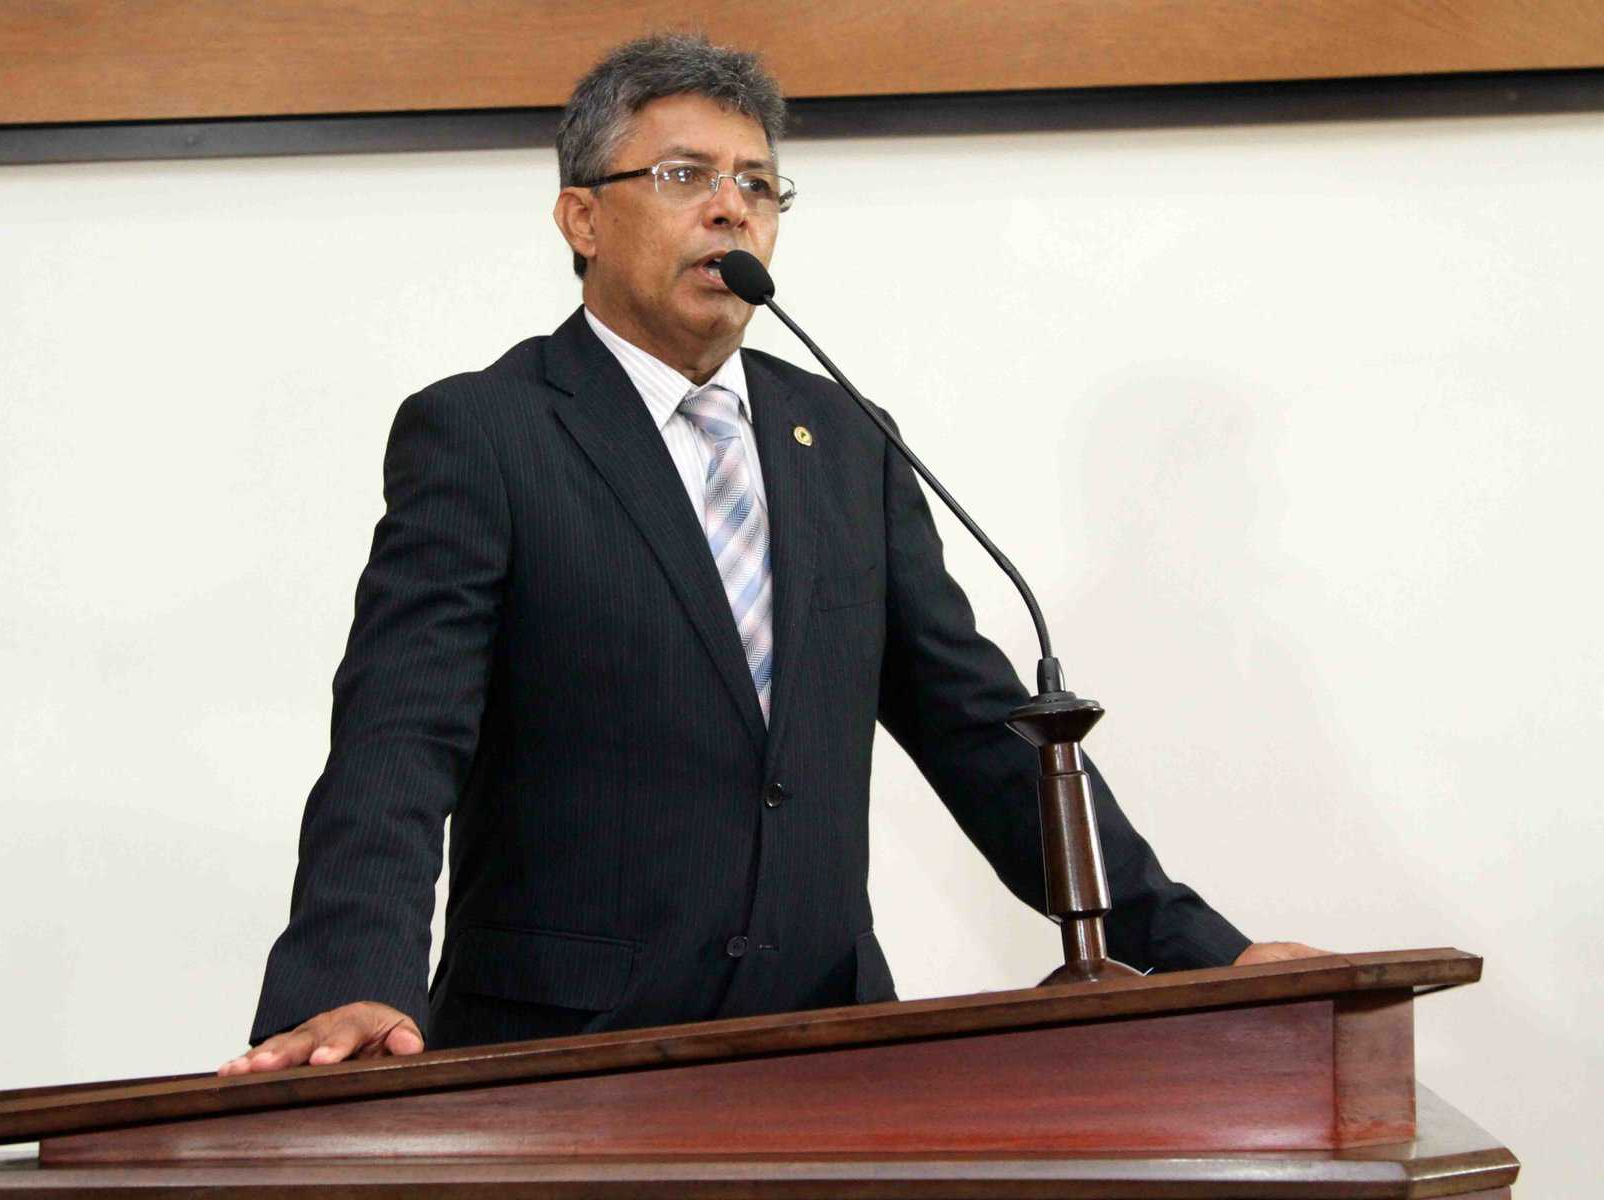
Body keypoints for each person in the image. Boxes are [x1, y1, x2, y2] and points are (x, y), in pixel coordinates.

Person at [220, 33, 1321, 1077]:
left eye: (757, 183)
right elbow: (401, 732)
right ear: (582, 218)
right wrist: (351, 979)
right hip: (563, 1049)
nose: (729, 208)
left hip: (827, 1043)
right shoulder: (489, 433)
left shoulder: (847, 440)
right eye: (684, 175)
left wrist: (1200, 952)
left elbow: (979, 732)